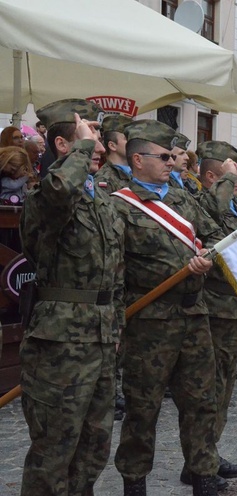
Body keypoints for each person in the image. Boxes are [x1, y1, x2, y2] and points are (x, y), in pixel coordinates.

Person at [112, 119, 224, 496]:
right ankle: (134, 482)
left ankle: (203, 474)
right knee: (143, 408)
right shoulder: (119, 206)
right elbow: (114, 270)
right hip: (149, 322)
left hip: (194, 314)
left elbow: (216, 235)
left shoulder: (180, 199)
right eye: (163, 157)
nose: (172, 163)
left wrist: (209, 254)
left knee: (201, 401)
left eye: (173, 156)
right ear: (137, 160)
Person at [19, 98, 124, 495]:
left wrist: (117, 330)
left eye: (95, 135)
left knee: (93, 448)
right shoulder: (45, 198)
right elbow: (60, 191)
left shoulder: (100, 203)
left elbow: (115, 274)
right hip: (59, 343)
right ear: (63, 145)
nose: (100, 145)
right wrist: (82, 144)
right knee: (54, 451)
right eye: (91, 134)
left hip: (99, 337)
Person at [192, 141, 237, 490]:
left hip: (234, 307)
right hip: (217, 307)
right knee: (211, 387)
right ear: (213, 177)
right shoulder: (206, 202)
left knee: (224, 385)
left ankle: (209, 454)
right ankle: (200, 460)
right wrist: (228, 181)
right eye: (228, 178)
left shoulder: (227, 204)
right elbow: (218, 238)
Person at [94, 114, 133, 193]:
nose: (133, 142)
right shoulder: (104, 179)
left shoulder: (138, 172)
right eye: (127, 139)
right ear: (112, 145)